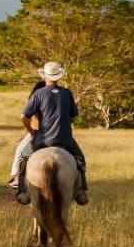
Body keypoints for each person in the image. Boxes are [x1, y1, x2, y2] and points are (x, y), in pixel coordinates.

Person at [16, 62, 89, 206]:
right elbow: (74, 117)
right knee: (80, 160)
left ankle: (23, 191)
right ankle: (82, 191)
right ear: (58, 77)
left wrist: (31, 131)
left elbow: (23, 116)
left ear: (46, 76)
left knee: (23, 158)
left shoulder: (38, 93)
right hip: (65, 140)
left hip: (43, 140)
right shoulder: (67, 93)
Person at [8, 80, 46, 189]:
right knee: (77, 156)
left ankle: (16, 179)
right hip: (57, 132)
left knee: (20, 152)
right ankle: (81, 184)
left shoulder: (34, 100)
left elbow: (25, 118)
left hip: (37, 132)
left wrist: (30, 132)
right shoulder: (56, 98)